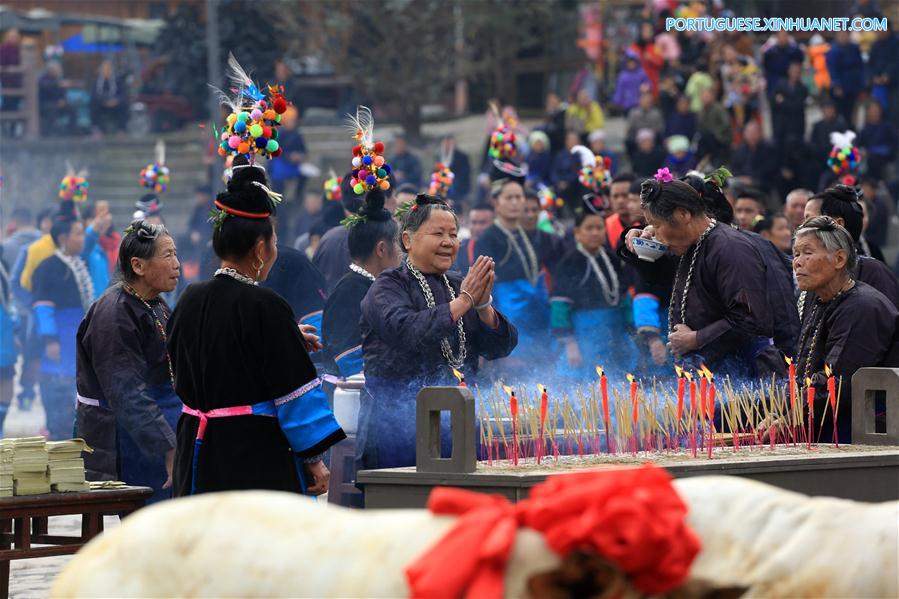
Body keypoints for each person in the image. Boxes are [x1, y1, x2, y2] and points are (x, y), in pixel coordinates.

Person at [167, 163, 345, 496]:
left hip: (196, 449)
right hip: (250, 454)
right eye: (274, 242)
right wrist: (315, 461)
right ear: (260, 250)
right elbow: (293, 395)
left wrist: (287, 339)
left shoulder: (189, 299)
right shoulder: (266, 305)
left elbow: (187, 367)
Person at [359, 194, 517, 470]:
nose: (448, 242)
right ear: (408, 240)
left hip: (460, 419)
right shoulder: (388, 286)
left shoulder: (459, 284)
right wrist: (465, 301)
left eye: (453, 234)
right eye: (438, 233)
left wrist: (483, 306)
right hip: (398, 423)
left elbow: (499, 348)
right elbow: (407, 331)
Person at [623, 178, 784, 377]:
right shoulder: (690, 244)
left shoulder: (730, 248)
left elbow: (750, 319)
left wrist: (696, 339)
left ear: (682, 214)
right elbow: (657, 279)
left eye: (656, 225)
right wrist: (637, 246)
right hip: (708, 372)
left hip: (741, 376)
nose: (654, 233)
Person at [75, 219, 181, 503]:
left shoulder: (154, 303)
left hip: (162, 429)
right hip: (130, 442)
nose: (177, 264)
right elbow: (127, 393)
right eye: (168, 255)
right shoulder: (114, 313)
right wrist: (167, 445)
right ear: (138, 266)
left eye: (176, 254)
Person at [793, 216, 899, 443]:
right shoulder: (816, 295)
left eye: (807, 253)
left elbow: (839, 381)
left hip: (861, 423)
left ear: (839, 259)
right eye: (796, 254)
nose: (798, 262)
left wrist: (789, 416)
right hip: (820, 410)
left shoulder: (862, 307)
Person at [322, 188, 400, 379]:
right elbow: (349, 360)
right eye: (398, 244)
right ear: (381, 249)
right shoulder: (349, 292)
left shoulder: (374, 286)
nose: (402, 252)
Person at [31, 201, 93, 440]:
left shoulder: (79, 264)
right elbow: (43, 308)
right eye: (78, 234)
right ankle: (58, 435)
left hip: (76, 336)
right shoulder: (49, 268)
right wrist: (50, 340)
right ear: (63, 238)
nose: (82, 238)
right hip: (60, 338)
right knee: (58, 390)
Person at [551, 201, 631, 379]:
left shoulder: (612, 259)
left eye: (599, 227)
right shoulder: (569, 262)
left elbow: (624, 297)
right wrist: (570, 343)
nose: (595, 232)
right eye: (589, 228)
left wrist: (629, 331)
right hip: (584, 336)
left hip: (613, 333)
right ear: (577, 233)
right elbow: (559, 306)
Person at [475, 176, 549, 368]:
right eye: (509, 198)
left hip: (536, 319)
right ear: (496, 202)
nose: (516, 203)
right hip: (508, 319)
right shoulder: (489, 238)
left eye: (519, 197)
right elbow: (484, 292)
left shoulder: (529, 233)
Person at [803, 184, 899, 310]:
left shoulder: (874, 273)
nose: (803, 227)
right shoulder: (813, 275)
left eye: (810, 220)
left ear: (838, 224)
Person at [826, 31, 865, 125]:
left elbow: (860, 66)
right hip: (841, 87)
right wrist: (837, 85)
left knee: (853, 113)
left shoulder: (854, 48)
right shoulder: (833, 51)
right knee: (840, 114)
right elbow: (833, 70)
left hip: (854, 86)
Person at [857, 101, 897, 180]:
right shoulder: (865, 129)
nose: (875, 113)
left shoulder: (887, 127)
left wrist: (883, 150)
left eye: (877, 110)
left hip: (885, 158)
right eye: (872, 110)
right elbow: (859, 145)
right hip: (868, 159)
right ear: (868, 112)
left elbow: (894, 144)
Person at [772, 61, 808, 147]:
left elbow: (797, 106)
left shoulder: (803, 88)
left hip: (796, 125)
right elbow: (774, 101)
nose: (796, 74)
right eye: (794, 72)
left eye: (798, 72)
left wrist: (783, 101)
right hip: (782, 125)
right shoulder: (780, 85)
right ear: (789, 71)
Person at [90, 60, 128, 134]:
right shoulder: (96, 82)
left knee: (123, 104)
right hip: (101, 103)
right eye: (104, 69)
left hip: (115, 103)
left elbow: (123, 94)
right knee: (93, 104)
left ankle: (121, 129)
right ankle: (96, 128)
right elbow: (94, 95)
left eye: (108, 69)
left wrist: (116, 101)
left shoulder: (117, 81)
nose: (106, 71)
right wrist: (103, 102)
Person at [456, 203, 494, 274]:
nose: (477, 227)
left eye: (482, 223)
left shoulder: (504, 248)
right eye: (473, 222)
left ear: (493, 224)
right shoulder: (459, 249)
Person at [605, 173, 636, 251]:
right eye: (615, 196)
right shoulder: (605, 226)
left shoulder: (650, 224)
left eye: (625, 195)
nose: (620, 201)